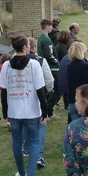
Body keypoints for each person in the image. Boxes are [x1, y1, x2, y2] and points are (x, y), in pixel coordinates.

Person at [0, 34, 48, 176]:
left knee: (16, 141)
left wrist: (5, 113)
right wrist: (45, 112)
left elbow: (3, 91)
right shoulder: (34, 64)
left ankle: (21, 173)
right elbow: (41, 90)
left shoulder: (6, 65)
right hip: (32, 110)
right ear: (26, 47)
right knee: (34, 143)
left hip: (14, 110)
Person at [28, 37, 55, 168]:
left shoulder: (13, 62)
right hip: (39, 96)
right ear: (33, 48)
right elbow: (49, 79)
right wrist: (48, 92)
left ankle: (26, 148)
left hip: (21, 98)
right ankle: (38, 155)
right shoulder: (40, 61)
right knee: (41, 124)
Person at [65, 42, 88, 122]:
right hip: (84, 99)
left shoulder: (69, 66)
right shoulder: (86, 66)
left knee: (76, 126)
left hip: (72, 99)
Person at [37, 19, 61, 119]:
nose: (52, 28)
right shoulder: (47, 40)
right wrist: (57, 62)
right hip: (52, 68)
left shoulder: (40, 38)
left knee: (48, 90)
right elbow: (49, 55)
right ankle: (48, 111)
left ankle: (47, 111)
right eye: (51, 26)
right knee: (57, 90)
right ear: (47, 26)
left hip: (43, 67)